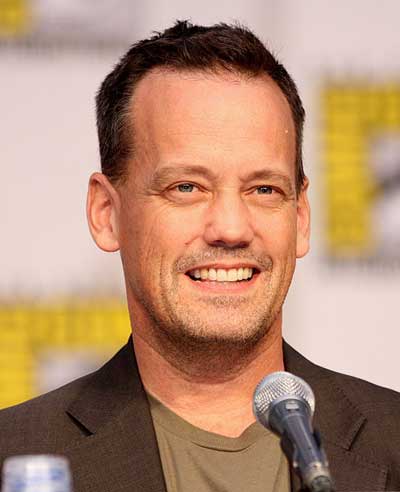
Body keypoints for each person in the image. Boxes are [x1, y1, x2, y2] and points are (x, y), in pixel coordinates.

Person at [1, 20, 400, 492]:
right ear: (106, 212)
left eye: (264, 189)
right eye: (186, 187)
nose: (230, 228)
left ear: (300, 218)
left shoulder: (392, 439)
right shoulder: (14, 451)